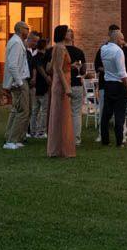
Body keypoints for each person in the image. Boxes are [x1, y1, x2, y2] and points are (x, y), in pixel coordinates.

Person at [46, 25, 77, 159]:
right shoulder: (60, 48)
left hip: (61, 82)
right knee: (61, 117)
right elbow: (58, 68)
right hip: (61, 84)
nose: (70, 33)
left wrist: (70, 66)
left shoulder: (58, 47)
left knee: (60, 115)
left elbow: (52, 66)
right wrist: (66, 87)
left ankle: (58, 148)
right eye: (68, 31)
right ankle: (60, 149)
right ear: (63, 34)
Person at [97, 25, 127, 147]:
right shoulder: (118, 51)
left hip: (108, 83)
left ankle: (105, 139)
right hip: (119, 85)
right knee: (119, 114)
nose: (123, 42)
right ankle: (119, 141)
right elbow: (122, 73)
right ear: (117, 39)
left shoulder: (103, 49)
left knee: (106, 114)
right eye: (122, 39)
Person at [1, 20, 32, 150]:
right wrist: (19, 82)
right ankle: (11, 140)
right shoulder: (16, 43)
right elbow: (13, 65)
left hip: (20, 79)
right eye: (26, 29)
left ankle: (13, 137)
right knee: (23, 111)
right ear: (20, 29)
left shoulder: (17, 42)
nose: (28, 32)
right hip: (19, 81)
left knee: (18, 110)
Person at [56, 25, 86, 150]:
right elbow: (83, 70)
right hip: (76, 83)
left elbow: (54, 68)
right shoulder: (79, 52)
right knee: (76, 113)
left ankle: (63, 138)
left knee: (62, 112)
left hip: (63, 84)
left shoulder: (57, 49)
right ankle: (76, 139)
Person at [28, 32, 51, 140]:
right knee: (44, 110)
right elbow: (43, 69)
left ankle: (32, 131)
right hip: (44, 86)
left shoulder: (34, 57)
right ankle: (41, 131)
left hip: (35, 87)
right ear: (45, 46)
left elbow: (34, 69)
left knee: (34, 110)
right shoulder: (45, 57)